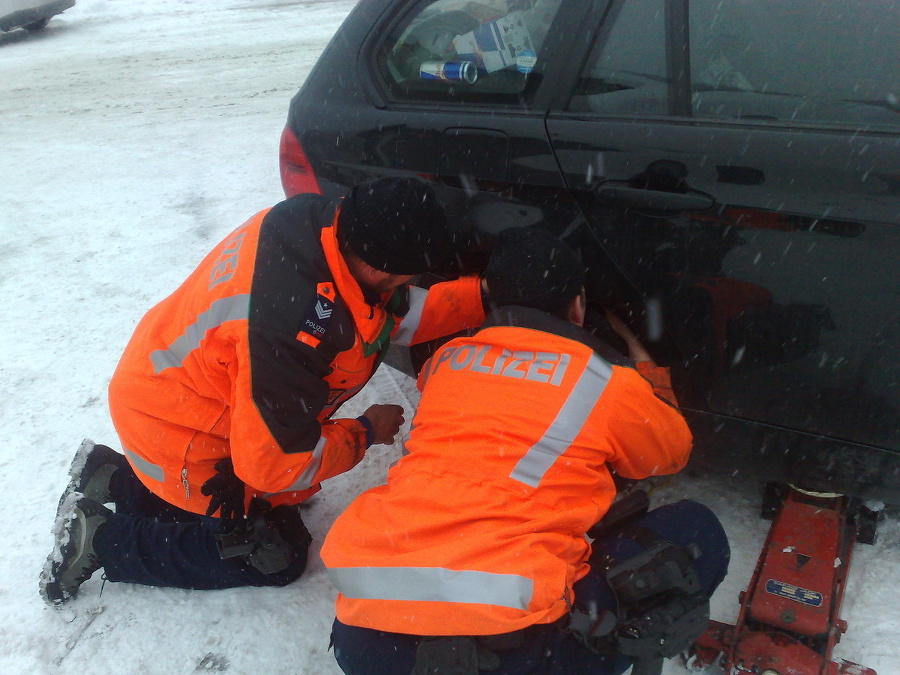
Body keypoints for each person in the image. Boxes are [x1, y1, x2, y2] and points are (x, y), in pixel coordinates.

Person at [41, 177, 487, 604]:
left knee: (284, 498)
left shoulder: (318, 228)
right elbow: (273, 467)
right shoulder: (291, 327)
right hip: (184, 432)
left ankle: (109, 476)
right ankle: (101, 538)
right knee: (277, 555)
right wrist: (365, 431)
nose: (408, 286)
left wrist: (484, 296)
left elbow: (389, 317)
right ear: (375, 266)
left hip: (171, 388)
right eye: (405, 277)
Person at [320, 227, 730, 675]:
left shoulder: (446, 361)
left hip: (368, 643)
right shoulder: (609, 385)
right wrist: (643, 366)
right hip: (515, 654)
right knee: (698, 530)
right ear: (577, 305)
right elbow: (669, 453)